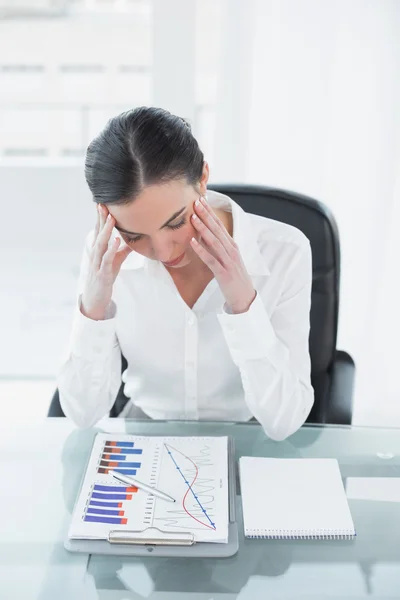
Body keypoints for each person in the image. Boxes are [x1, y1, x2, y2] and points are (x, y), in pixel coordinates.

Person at [58, 106, 314, 440]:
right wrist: (94, 308)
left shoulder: (285, 252)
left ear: (203, 177)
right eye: (134, 235)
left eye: (176, 222)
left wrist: (243, 305)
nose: (164, 252)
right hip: (143, 440)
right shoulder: (104, 258)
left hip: (249, 442)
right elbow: (82, 413)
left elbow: (284, 422)